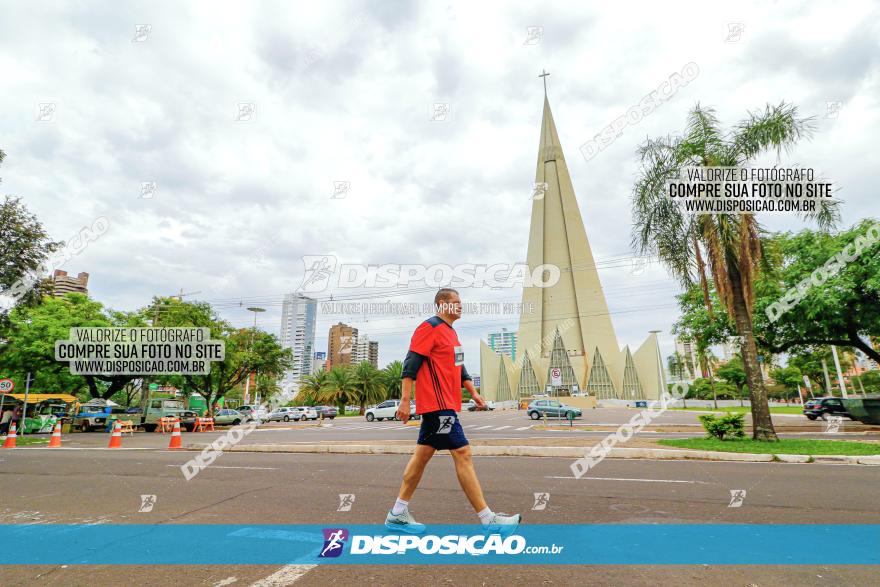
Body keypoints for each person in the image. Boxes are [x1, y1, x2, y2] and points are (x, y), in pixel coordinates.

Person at [385, 288, 521, 534]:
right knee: (462, 452)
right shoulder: (429, 328)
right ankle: (489, 521)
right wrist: (405, 401)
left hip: (446, 404)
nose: (460, 306)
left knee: (422, 456)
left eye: (461, 302)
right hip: (438, 406)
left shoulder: (451, 333)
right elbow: (410, 365)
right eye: (456, 302)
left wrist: (474, 392)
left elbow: (460, 369)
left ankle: (397, 513)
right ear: (441, 304)